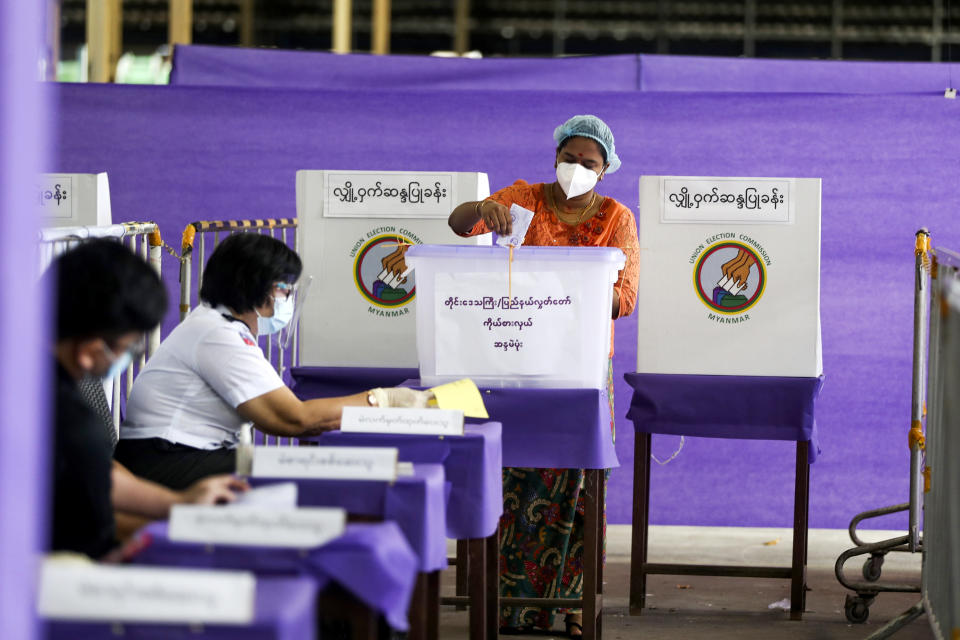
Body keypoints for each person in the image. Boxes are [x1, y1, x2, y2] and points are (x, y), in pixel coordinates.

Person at [448, 115, 640, 636]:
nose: (577, 169)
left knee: (578, 484)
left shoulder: (618, 219)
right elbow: (460, 225)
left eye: (589, 163)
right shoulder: (525, 198)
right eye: (570, 158)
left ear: (606, 170)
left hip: (579, 367)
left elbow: (626, 298)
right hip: (515, 355)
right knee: (513, 474)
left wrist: (576, 290)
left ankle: (577, 606)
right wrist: (479, 208)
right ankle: (511, 605)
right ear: (555, 156)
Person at [116, 233, 432, 489]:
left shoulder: (216, 325)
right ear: (253, 287)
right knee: (335, 483)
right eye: (283, 289)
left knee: (341, 475)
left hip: (182, 457)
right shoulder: (217, 334)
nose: (288, 300)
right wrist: (385, 400)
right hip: (166, 464)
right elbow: (294, 420)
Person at [48, 239, 247, 559]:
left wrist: (177, 503)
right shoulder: (70, 423)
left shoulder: (41, 377)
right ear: (90, 352)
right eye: (131, 348)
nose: (132, 355)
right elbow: (98, 538)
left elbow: (98, 475)